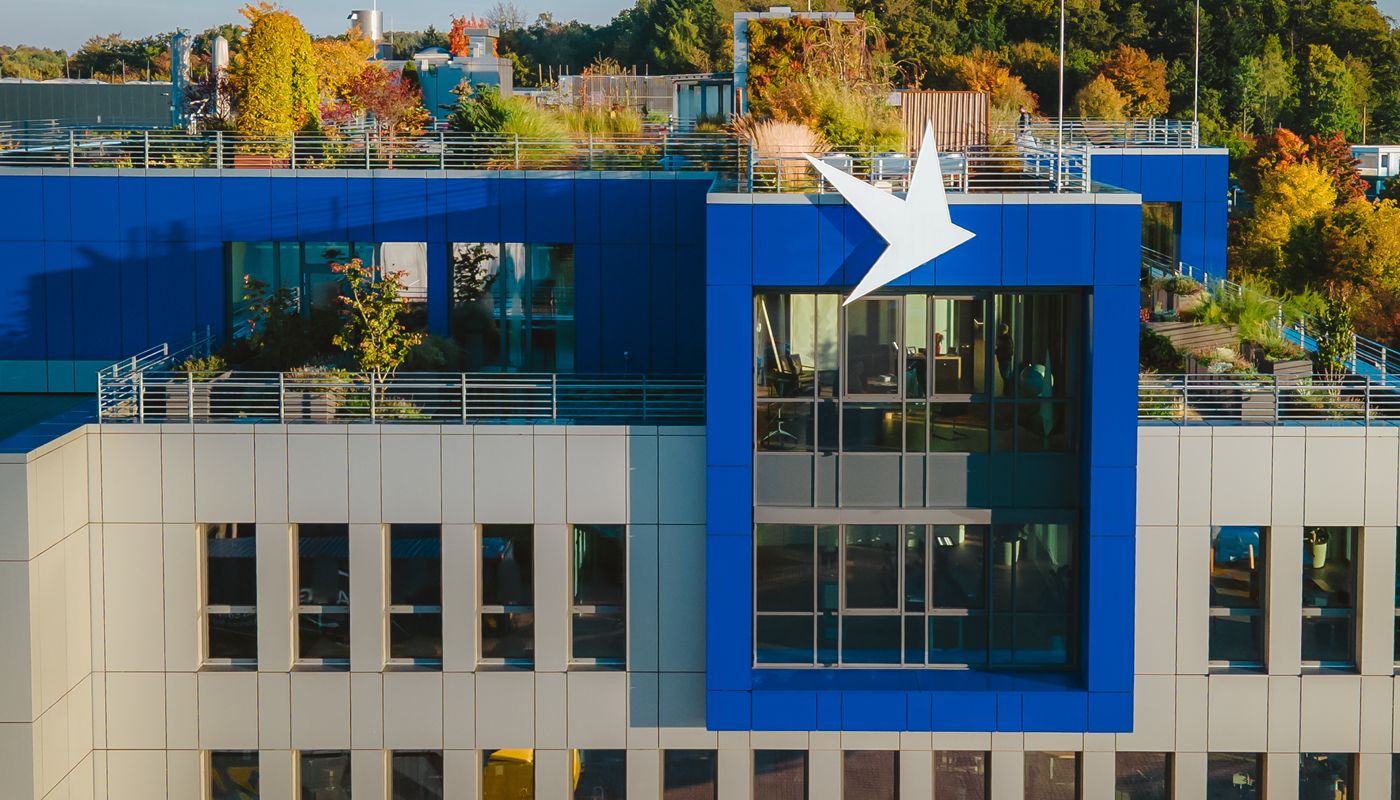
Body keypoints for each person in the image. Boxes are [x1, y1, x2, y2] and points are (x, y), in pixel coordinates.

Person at [995, 323, 1014, 395]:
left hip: (1004, 360)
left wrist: (999, 352)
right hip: (1003, 359)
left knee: (1005, 376)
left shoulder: (1006, 339)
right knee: (1005, 376)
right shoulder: (1004, 339)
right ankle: (1006, 392)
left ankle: (1007, 392)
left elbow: (1007, 351)